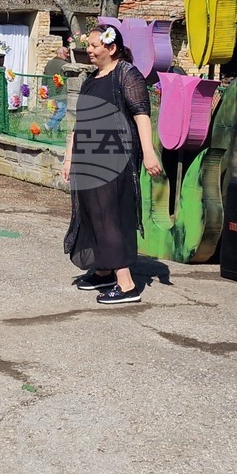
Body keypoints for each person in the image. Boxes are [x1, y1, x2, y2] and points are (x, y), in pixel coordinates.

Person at [62, 25, 163, 305]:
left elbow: (141, 114)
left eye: (95, 45)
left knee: (109, 215)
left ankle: (127, 284)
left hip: (114, 157)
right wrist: (69, 156)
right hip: (88, 156)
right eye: (89, 46)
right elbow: (80, 121)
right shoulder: (92, 78)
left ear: (111, 47)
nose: (90, 50)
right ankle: (104, 270)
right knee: (92, 214)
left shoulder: (127, 74)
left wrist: (149, 152)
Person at [43, 46, 69, 134]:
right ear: (60, 54)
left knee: (57, 110)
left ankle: (55, 130)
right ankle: (49, 125)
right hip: (61, 91)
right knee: (62, 111)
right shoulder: (64, 64)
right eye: (66, 53)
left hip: (51, 90)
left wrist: (44, 88)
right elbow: (66, 78)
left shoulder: (49, 63)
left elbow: (44, 76)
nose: (68, 55)